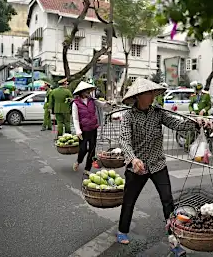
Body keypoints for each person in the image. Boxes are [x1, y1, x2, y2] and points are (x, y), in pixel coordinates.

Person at [117, 78, 198, 256]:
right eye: (149, 94)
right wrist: (132, 159)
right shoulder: (129, 116)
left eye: (153, 93)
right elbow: (124, 139)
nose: (152, 96)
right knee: (129, 200)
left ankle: (173, 239)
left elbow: (177, 123)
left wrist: (196, 122)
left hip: (158, 163)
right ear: (139, 97)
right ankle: (122, 229)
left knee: (168, 200)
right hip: (137, 167)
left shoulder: (158, 112)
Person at [71, 81, 112, 173]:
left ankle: (87, 169)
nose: (89, 93)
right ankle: (78, 161)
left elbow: (103, 105)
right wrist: (78, 131)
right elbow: (76, 119)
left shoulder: (92, 101)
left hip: (93, 128)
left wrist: (108, 103)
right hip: (83, 130)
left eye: (89, 92)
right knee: (83, 149)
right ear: (81, 92)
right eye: (87, 92)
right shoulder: (76, 103)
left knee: (92, 149)